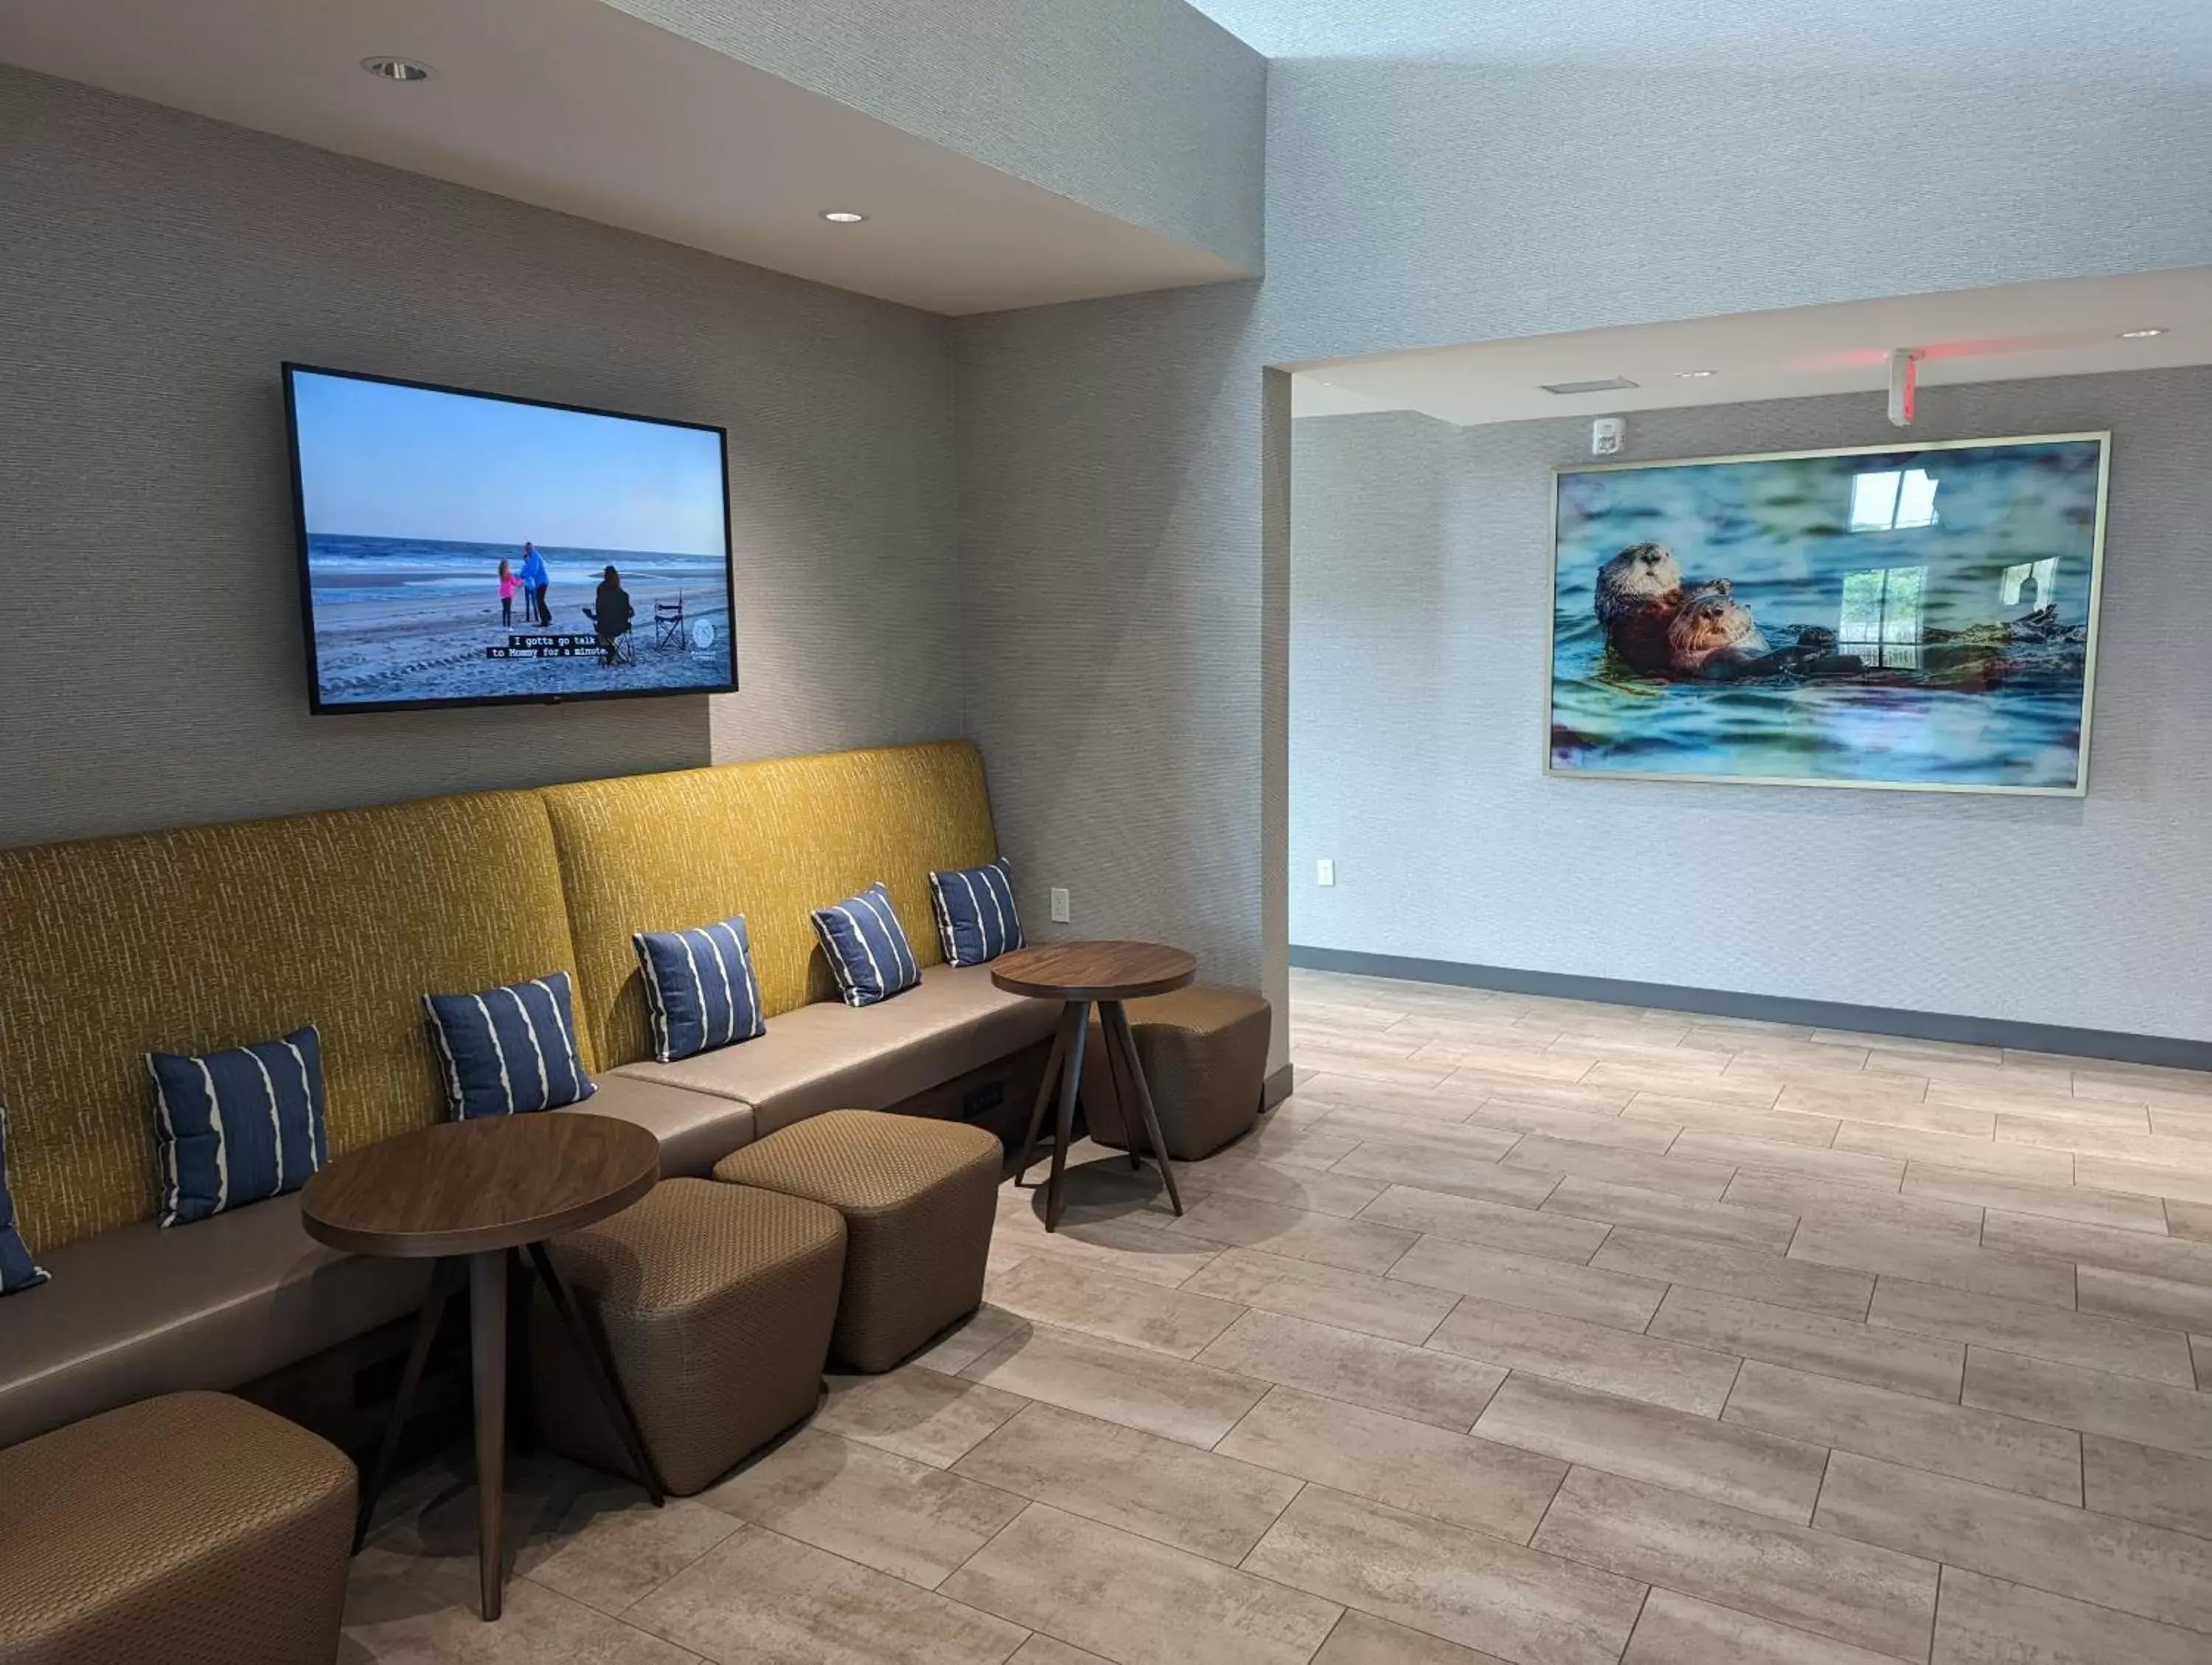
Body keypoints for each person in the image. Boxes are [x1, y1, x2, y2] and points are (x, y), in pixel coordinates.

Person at [590, 565, 633, 666]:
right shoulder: (623, 594)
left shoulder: (601, 589)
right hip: (620, 627)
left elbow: (599, 608)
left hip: (604, 626)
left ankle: (608, 655)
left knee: (603, 632)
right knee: (610, 630)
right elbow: (628, 611)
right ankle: (613, 654)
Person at [519, 542, 551, 627]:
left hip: (542, 582)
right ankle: (548, 618)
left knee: (540, 601)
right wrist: (522, 575)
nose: (527, 550)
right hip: (540, 582)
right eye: (526, 549)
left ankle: (545, 621)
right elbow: (528, 567)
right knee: (541, 601)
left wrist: (524, 575)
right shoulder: (532, 557)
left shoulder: (535, 557)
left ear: (531, 548)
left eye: (528, 549)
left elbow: (534, 570)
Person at [497, 557, 518, 627]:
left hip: (503, 593)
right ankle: (509, 624)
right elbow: (514, 583)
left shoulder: (501, 574)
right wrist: (520, 581)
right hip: (509, 593)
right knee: (509, 609)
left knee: (504, 609)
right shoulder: (509, 574)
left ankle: (504, 624)